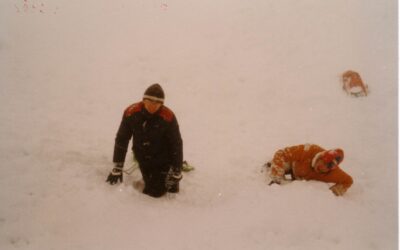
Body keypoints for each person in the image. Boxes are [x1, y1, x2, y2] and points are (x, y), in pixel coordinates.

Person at [106, 83, 183, 198]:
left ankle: (168, 173)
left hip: (162, 157)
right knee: (150, 185)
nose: (153, 105)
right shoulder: (131, 113)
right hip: (142, 154)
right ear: (143, 100)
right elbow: (122, 139)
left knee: (157, 192)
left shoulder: (168, 116)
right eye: (150, 101)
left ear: (162, 104)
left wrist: (177, 169)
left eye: (157, 103)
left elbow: (176, 143)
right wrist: (118, 166)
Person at [267, 144, 353, 196]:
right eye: (321, 163)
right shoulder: (309, 150)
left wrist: (334, 193)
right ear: (320, 156)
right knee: (279, 164)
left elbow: (348, 181)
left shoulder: (332, 173)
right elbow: (281, 153)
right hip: (293, 166)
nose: (322, 167)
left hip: (301, 182)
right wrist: (276, 177)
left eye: (326, 167)